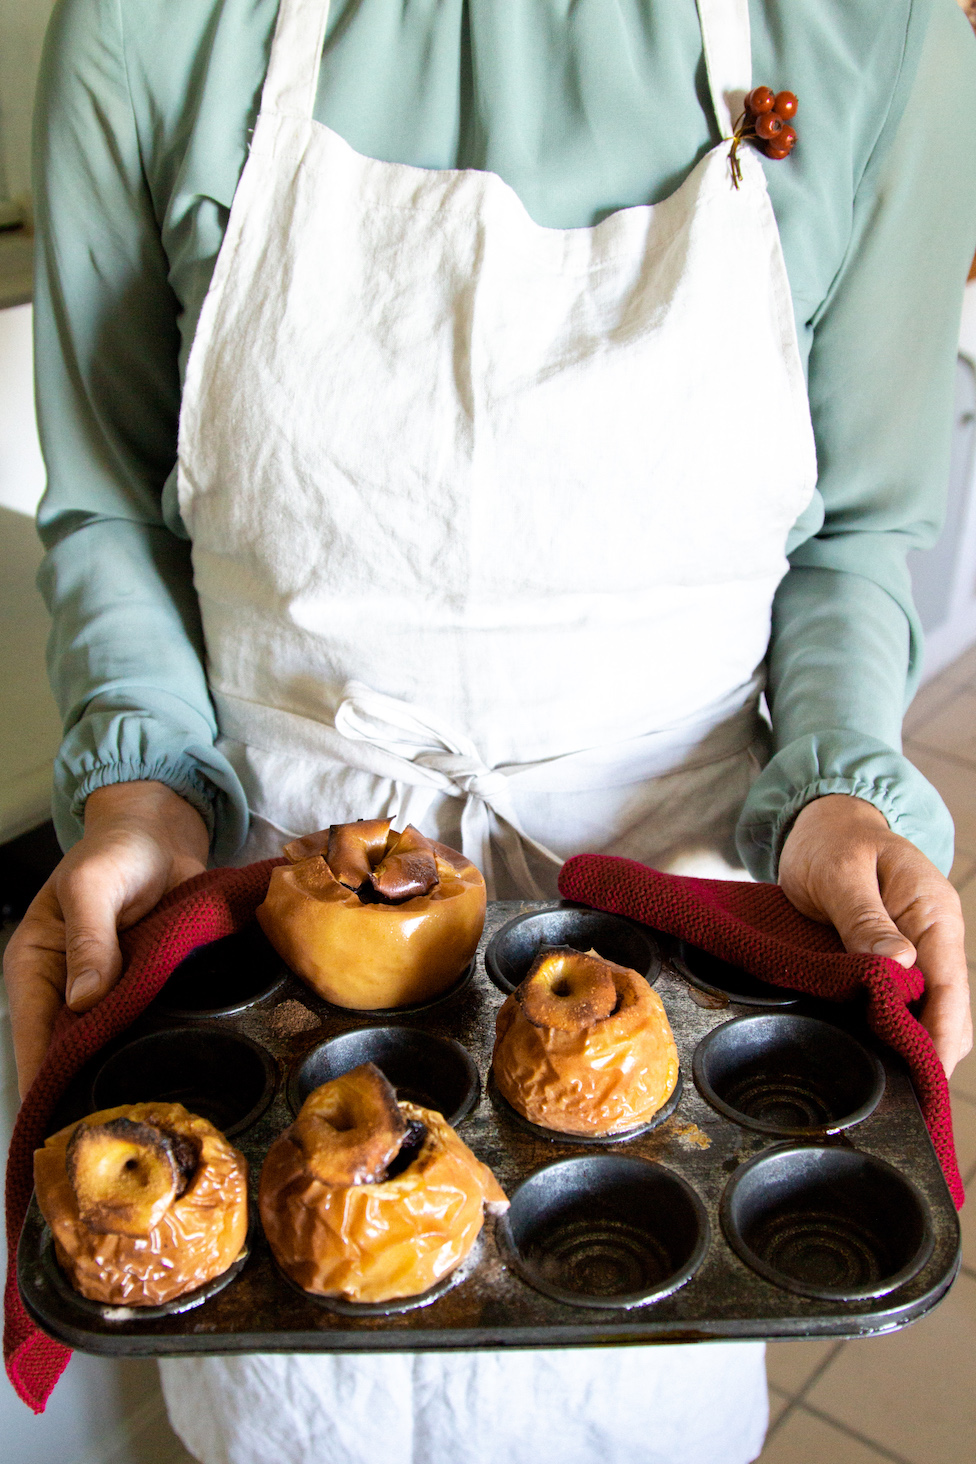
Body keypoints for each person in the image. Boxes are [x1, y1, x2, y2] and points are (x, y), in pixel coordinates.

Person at [5, 1, 976, 1461]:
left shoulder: (869, 33)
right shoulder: (154, 27)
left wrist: (835, 791)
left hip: (668, 979)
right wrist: (140, 797)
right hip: (287, 919)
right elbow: (115, 509)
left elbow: (856, 539)